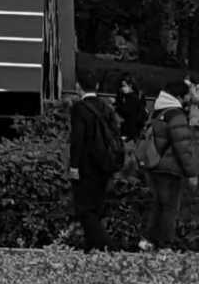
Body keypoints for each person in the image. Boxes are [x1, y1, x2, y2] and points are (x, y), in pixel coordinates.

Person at [137, 90, 199, 251]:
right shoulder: (176, 115)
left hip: (155, 165)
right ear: (179, 96)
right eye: (186, 94)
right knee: (170, 207)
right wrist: (192, 172)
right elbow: (183, 147)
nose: (189, 97)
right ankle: (165, 244)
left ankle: (148, 240)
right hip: (171, 168)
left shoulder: (158, 112)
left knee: (159, 204)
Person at [67, 82, 124, 250]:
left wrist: (74, 165)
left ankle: (107, 245)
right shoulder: (105, 107)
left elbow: (78, 139)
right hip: (105, 163)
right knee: (96, 207)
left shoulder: (80, 108)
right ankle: (91, 247)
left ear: (79, 87)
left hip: (86, 164)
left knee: (84, 209)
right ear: (97, 86)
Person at [115, 76, 146, 143]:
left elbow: (126, 111)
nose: (122, 88)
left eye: (124, 86)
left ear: (130, 86)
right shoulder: (135, 96)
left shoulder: (131, 97)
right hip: (134, 130)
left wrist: (116, 107)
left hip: (130, 131)